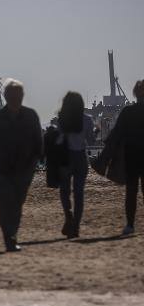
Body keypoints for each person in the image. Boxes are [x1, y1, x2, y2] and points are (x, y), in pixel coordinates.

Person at [0, 79, 43, 252]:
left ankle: (13, 233)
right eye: (12, 95)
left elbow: (38, 141)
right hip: (2, 169)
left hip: (25, 168)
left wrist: (36, 161)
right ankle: (9, 238)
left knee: (17, 203)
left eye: (18, 95)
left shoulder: (31, 115)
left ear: (22, 96)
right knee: (4, 204)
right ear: (6, 96)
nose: (15, 98)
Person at [102, 80, 144, 235]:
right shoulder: (127, 111)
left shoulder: (128, 112)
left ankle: (130, 225)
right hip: (133, 157)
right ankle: (130, 225)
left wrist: (104, 157)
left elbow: (115, 134)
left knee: (131, 192)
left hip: (132, 157)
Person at [55, 91, 93, 238]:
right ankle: (76, 226)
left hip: (66, 157)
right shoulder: (87, 120)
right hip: (81, 157)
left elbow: (59, 139)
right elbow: (91, 140)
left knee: (64, 191)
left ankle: (68, 216)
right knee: (79, 193)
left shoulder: (62, 119)